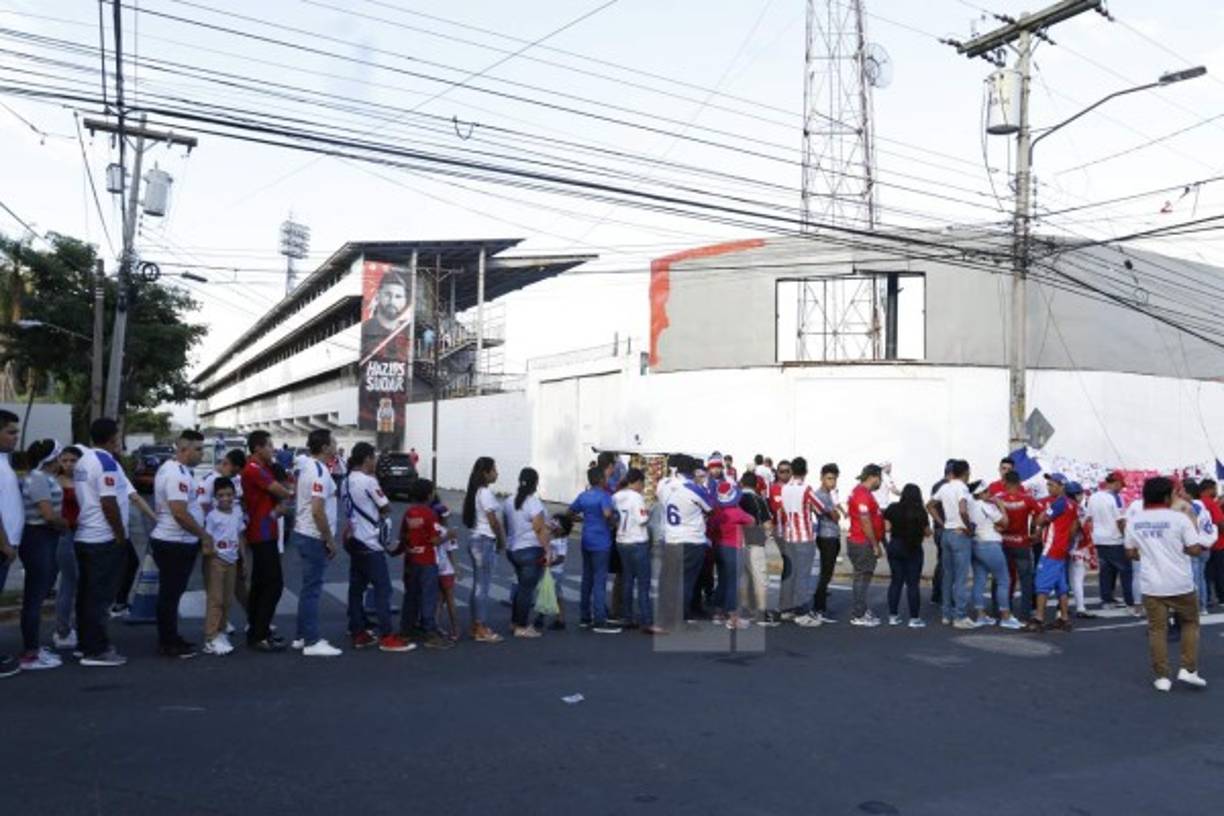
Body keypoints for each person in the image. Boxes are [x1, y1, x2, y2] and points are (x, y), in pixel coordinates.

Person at [1125, 476, 1208, 692]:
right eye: (1173, 493)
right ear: (1166, 496)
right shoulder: (1179, 519)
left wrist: (1149, 553)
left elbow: (1131, 553)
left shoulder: (1134, 520)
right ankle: (1188, 670)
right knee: (1190, 623)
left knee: (1157, 630)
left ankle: (1162, 676)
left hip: (1151, 584)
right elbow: (1195, 549)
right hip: (1180, 582)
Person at [72, 418, 133, 667]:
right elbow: (109, 503)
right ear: (112, 439)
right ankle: (96, 650)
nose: (119, 441)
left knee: (87, 595)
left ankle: (86, 644)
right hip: (102, 538)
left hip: (86, 535)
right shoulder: (105, 462)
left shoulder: (83, 460)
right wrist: (119, 533)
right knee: (100, 597)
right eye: (118, 437)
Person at [342, 443, 413, 653]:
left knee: (356, 589)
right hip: (371, 543)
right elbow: (386, 506)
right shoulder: (368, 481)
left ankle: (357, 631)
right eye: (373, 457)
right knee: (383, 590)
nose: (375, 462)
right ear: (366, 459)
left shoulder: (345, 481)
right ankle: (387, 636)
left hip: (355, 541)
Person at [149, 430, 211, 659]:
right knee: (170, 594)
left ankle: (171, 637)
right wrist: (203, 534)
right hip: (174, 541)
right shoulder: (176, 474)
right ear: (183, 449)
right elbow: (179, 513)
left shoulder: (178, 470)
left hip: (176, 541)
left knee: (172, 593)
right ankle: (167, 642)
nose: (201, 454)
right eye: (198, 449)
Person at [17, 439, 70, 670]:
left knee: (36, 595)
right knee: (34, 598)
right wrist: (66, 524)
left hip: (43, 538)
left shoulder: (42, 477)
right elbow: (48, 514)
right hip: (38, 537)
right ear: (53, 457)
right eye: (60, 455)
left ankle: (34, 647)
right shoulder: (38, 478)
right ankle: (31, 654)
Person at [240, 431, 294, 652]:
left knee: (262, 584)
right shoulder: (254, 469)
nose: (273, 449)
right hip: (261, 532)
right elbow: (283, 491)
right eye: (270, 445)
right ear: (258, 448)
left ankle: (257, 631)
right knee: (273, 584)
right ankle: (259, 633)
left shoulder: (261, 468)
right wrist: (285, 497)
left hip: (266, 530)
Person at [292, 429, 342, 657]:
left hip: (304, 533)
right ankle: (311, 641)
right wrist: (329, 540)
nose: (336, 444)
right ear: (324, 448)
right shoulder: (319, 472)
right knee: (312, 590)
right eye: (333, 441)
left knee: (307, 588)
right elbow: (317, 510)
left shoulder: (308, 466)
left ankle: (303, 636)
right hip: (313, 536)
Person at [398, 478, 453, 649]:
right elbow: (435, 540)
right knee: (429, 597)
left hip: (412, 559)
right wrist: (448, 535)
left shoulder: (409, 513)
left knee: (411, 596)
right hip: (428, 560)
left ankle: (406, 630)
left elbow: (403, 536)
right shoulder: (430, 514)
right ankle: (429, 632)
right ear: (429, 495)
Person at [661, 456, 712, 630]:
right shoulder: (695, 489)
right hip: (691, 539)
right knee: (687, 581)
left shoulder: (664, 485)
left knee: (671, 580)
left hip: (670, 538)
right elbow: (710, 508)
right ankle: (679, 617)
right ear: (692, 471)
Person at [502, 468, 552, 639]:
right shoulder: (534, 503)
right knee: (526, 590)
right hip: (530, 550)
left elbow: (506, 525)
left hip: (513, 549)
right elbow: (539, 529)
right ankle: (521, 626)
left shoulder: (509, 501)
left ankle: (514, 622)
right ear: (535, 483)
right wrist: (548, 550)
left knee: (521, 586)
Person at [570, 465, 620, 634]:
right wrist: (614, 522)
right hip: (601, 542)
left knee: (587, 579)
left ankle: (585, 616)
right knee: (600, 580)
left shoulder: (583, 496)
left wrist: (583, 519)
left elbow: (570, 512)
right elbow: (607, 515)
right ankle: (599, 618)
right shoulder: (604, 497)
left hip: (586, 539)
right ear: (601, 480)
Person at [1026, 473, 1077, 632]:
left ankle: (1039, 618)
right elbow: (1074, 526)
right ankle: (1064, 618)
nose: (1049, 488)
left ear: (1062, 486)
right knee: (1061, 585)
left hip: (1051, 548)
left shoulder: (1057, 504)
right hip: (1061, 548)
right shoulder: (1072, 504)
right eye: (1048, 484)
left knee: (1041, 584)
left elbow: (1040, 520)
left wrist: (1041, 521)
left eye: (1052, 485)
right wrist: (1067, 542)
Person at [461, 456, 505, 643]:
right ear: (486, 473)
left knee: (478, 585)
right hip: (485, 540)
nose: (497, 473)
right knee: (483, 586)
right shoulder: (485, 493)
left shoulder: (476, 492)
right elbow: (493, 520)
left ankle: (476, 624)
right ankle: (480, 626)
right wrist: (501, 539)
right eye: (494, 469)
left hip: (476, 539)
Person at [778, 457, 825, 628]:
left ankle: (786, 609)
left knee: (790, 574)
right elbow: (820, 508)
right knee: (803, 576)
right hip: (804, 537)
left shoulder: (785, 488)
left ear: (791, 471)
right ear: (805, 471)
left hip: (789, 535)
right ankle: (802, 613)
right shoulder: (806, 489)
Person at [927, 459, 974, 629]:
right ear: (966, 473)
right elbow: (963, 509)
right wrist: (968, 528)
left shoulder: (944, 487)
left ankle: (946, 614)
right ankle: (960, 616)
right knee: (961, 578)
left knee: (948, 576)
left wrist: (941, 521)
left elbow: (930, 505)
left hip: (946, 532)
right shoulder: (961, 487)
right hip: (959, 534)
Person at [969, 480, 1022, 629]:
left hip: (976, 543)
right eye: (986, 491)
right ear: (979, 493)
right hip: (990, 544)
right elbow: (1005, 522)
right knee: (1004, 580)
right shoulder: (986, 506)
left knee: (979, 580)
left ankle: (981, 615)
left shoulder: (970, 505)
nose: (990, 494)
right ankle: (1005, 616)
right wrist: (1001, 506)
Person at [613, 468, 660, 633]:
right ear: (638, 482)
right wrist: (648, 513)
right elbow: (642, 519)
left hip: (621, 540)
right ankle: (646, 619)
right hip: (637, 541)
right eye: (642, 483)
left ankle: (627, 616)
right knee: (643, 583)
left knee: (627, 580)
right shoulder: (637, 498)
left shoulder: (616, 496)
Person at [201, 478, 243, 656]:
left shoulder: (238, 512)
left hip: (232, 560)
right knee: (215, 600)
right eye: (221, 495)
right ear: (215, 497)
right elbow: (207, 539)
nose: (225, 498)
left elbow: (240, 535)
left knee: (227, 600)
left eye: (229, 494)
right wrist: (210, 556)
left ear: (234, 495)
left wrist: (244, 561)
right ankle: (210, 638)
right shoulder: (212, 516)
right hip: (216, 561)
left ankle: (221, 631)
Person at [997, 471, 1041, 621]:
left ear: (1005, 482)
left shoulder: (998, 499)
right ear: (1019, 482)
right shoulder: (1028, 499)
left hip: (1003, 542)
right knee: (1026, 580)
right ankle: (1025, 613)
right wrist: (1036, 531)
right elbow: (1041, 514)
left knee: (1004, 579)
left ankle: (1003, 611)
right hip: (1022, 542)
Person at [1086, 471, 1133, 611]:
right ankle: (1129, 600)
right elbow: (1120, 521)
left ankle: (1107, 599)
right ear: (1116, 483)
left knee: (1106, 572)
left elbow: (1089, 518)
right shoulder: (1115, 498)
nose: (1121, 488)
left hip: (1099, 538)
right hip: (1115, 538)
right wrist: (1127, 537)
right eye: (1121, 485)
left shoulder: (1093, 497)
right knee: (1126, 571)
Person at [884, 484, 929, 628]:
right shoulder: (920, 511)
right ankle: (914, 619)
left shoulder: (892, 508)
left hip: (895, 546)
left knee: (896, 582)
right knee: (913, 584)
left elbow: (887, 528)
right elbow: (927, 532)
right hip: (913, 548)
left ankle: (893, 616)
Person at [846, 464, 885, 627]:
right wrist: (875, 544)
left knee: (862, 577)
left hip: (861, 540)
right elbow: (865, 521)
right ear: (873, 477)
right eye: (880, 479)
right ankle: (859, 614)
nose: (881, 482)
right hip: (862, 542)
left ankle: (861, 608)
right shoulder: (862, 494)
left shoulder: (861, 492)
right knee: (862, 577)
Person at [713, 480, 753, 630]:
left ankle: (717, 612)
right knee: (733, 582)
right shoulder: (737, 512)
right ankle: (733, 617)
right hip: (733, 548)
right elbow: (751, 521)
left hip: (719, 547)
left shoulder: (717, 512)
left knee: (722, 580)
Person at [53, 446, 81, 650]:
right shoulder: (55, 481)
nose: (69, 464)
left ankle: (78, 627)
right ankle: (62, 630)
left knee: (81, 583)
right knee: (69, 582)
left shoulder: (85, 479)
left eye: (73, 460)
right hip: (66, 534)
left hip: (85, 534)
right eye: (65, 460)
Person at [738, 472, 775, 626]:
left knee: (744, 578)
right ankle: (761, 612)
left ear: (741, 483)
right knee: (761, 579)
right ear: (756, 485)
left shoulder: (736, 498)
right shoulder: (759, 500)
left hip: (738, 542)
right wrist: (766, 535)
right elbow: (768, 524)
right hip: (755, 542)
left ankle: (744, 610)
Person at [812, 463, 844, 624]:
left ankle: (819, 606)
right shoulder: (821, 496)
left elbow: (836, 514)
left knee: (827, 573)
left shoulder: (829, 494)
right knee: (825, 573)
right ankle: (819, 609)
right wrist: (835, 512)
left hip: (832, 536)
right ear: (822, 478)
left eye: (835, 479)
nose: (833, 482)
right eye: (829, 478)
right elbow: (835, 516)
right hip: (827, 537)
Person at [1182, 479, 1217, 614]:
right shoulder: (1202, 505)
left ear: (1189, 493)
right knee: (1201, 577)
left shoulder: (1192, 506)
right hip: (1205, 545)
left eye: (1182, 491)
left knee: (1194, 579)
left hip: (1195, 545)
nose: (1180, 493)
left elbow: (1191, 527)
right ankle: (1202, 606)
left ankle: (1196, 607)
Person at [1066, 482, 1098, 619]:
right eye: (1080, 493)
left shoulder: (1061, 505)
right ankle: (1080, 607)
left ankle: (1062, 608)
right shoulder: (1079, 509)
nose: (1082, 495)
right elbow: (1079, 529)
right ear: (1076, 494)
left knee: (1066, 579)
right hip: (1076, 547)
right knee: (1077, 579)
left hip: (1061, 546)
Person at [535, 513, 571, 631]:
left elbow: (561, 557)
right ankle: (541, 616)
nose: (553, 526)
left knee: (555, 595)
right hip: (547, 569)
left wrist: (550, 564)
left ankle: (560, 619)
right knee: (544, 593)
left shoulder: (561, 540)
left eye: (556, 524)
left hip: (555, 571)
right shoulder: (552, 536)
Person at [1201, 479, 1224, 610]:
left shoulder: (1197, 503)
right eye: (1214, 489)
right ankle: (1221, 597)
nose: (1215, 492)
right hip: (1218, 543)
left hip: (1204, 544)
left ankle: (1207, 598)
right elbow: (1220, 523)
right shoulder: (1211, 503)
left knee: (1205, 574)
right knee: (1220, 572)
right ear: (1209, 489)